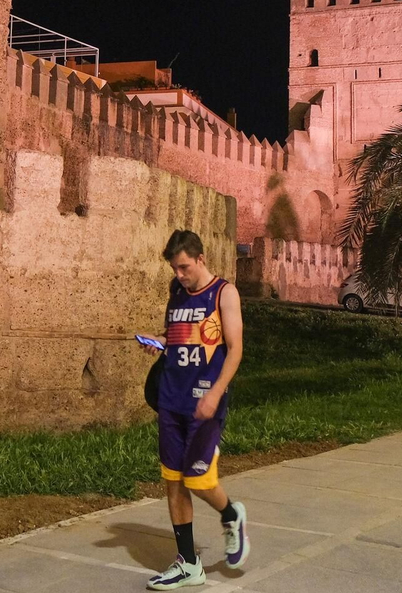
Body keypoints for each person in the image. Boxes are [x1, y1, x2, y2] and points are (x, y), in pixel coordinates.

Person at [148, 229, 250, 589]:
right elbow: (175, 335)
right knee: (173, 480)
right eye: (175, 268)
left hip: (206, 402)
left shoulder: (224, 294)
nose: (179, 274)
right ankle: (189, 564)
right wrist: (158, 343)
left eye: (185, 267)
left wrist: (215, 392)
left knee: (199, 479)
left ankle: (231, 514)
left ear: (201, 259)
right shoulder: (177, 293)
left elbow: (235, 350)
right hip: (171, 399)